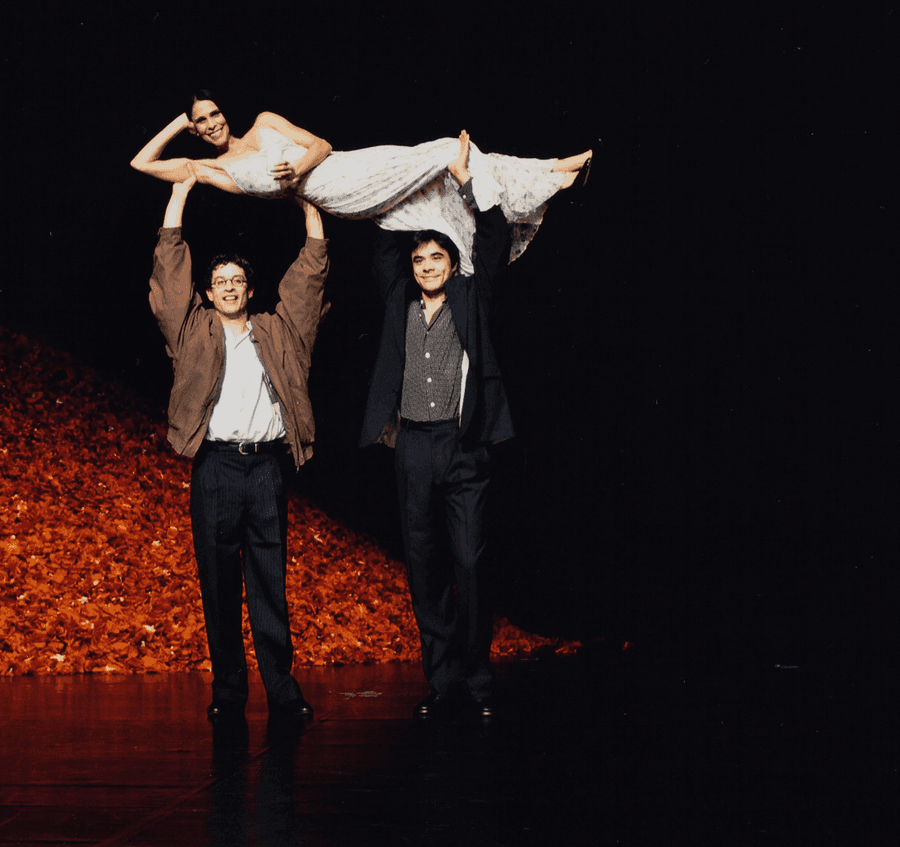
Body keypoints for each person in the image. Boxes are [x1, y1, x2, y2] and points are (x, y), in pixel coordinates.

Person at [148, 171, 328, 723]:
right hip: (216, 467)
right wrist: (179, 196)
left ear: (250, 290)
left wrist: (309, 207)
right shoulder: (191, 331)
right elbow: (169, 279)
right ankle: (229, 690)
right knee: (219, 582)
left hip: (267, 468)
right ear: (208, 293)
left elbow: (308, 281)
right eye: (218, 280)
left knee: (269, 581)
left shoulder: (277, 332)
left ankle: (282, 689)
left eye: (237, 280)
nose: (228, 286)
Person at [358, 131, 517, 720]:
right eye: (420, 259)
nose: (427, 266)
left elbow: (495, 237)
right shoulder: (399, 299)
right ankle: (442, 678)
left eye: (437, 259)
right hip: (413, 449)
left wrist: (462, 179)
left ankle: (477, 677)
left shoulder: (472, 298)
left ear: (453, 265)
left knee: (470, 562)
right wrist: (411, 185)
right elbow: (380, 251)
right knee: (423, 564)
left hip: (463, 445)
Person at [131, 90, 591, 269]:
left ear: (224, 112)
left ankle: (554, 173)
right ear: (196, 127)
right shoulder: (214, 170)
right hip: (340, 196)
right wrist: (177, 123)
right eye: (201, 121)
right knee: (450, 152)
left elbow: (321, 145)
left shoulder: (265, 122)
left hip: (346, 166)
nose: (211, 123)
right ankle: (554, 171)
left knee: (446, 164)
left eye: (214, 113)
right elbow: (142, 164)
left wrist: (296, 169)